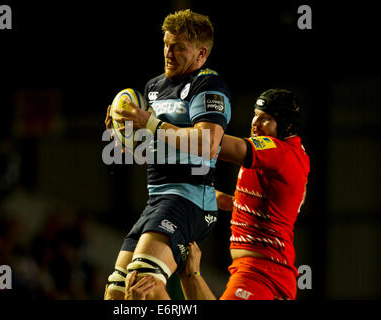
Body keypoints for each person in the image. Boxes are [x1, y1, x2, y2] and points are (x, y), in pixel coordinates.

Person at [124, 88, 310, 300]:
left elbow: (213, 145)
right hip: (256, 270)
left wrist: (154, 125)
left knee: (145, 294)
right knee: (186, 275)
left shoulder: (279, 151)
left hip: (263, 273)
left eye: (266, 119)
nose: (256, 123)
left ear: (287, 126)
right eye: (256, 115)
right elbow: (234, 202)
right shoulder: (277, 158)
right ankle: (190, 276)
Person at [104, 9, 232, 300]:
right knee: (115, 292)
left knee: (143, 287)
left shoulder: (208, 85)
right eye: (166, 44)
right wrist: (123, 133)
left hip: (189, 200)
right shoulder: (153, 87)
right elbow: (150, 148)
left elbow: (208, 144)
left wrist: (147, 122)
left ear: (201, 54)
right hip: (158, 199)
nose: (168, 52)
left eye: (178, 47)